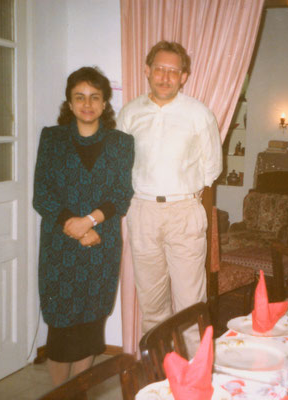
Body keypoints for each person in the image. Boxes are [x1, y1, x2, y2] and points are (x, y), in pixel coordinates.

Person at [117, 41, 222, 351]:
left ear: (184, 76)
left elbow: (212, 167)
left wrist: (184, 191)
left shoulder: (198, 113)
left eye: (173, 71)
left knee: (190, 304)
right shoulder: (130, 113)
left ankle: (194, 383)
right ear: (147, 71)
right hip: (144, 212)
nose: (165, 77)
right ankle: (159, 380)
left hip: (184, 211)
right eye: (159, 69)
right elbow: (121, 164)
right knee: (152, 306)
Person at [33, 66, 133, 386]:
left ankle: (78, 392)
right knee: (61, 328)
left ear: (105, 104)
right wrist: (72, 225)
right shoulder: (52, 137)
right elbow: (41, 194)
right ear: (70, 102)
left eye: (94, 97)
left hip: (100, 243)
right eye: (80, 97)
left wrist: (89, 222)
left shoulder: (121, 143)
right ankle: (60, 392)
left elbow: (121, 194)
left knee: (90, 324)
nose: (87, 104)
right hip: (59, 245)